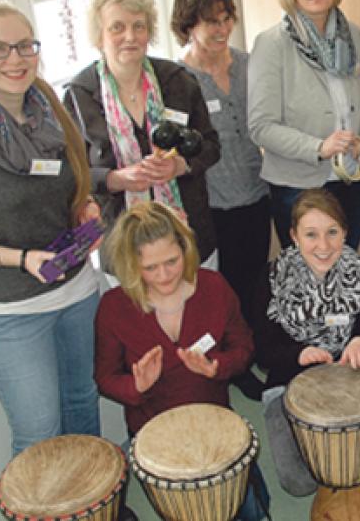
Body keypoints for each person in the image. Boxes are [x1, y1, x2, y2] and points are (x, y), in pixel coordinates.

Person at [0, 0, 101, 457]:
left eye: (24, 46)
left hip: (75, 292)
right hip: (6, 312)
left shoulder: (49, 106)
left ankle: (95, 508)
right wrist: (20, 258)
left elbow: (65, 183)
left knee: (82, 405)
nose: (15, 59)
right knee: (39, 434)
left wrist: (82, 208)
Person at [94, 201, 269, 520]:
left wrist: (218, 367)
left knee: (251, 511)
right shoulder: (114, 307)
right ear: (132, 264)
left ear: (185, 248)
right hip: (153, 432)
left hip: (214, 420)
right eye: (149, 268)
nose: (163, 276)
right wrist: (137, 385)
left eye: (172, 261)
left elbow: (244, 347)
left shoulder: (214, 287)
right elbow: (104, 378)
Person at [253, 189, 360, 497]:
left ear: (345, 232)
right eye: (311, 234)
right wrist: (298, 355)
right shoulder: (272, 276)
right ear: (294, 236)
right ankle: (340, 459)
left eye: (332, 232)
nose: (323, 246)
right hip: (289, 382)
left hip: (351, 380)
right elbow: (263, 351)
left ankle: (357, 463)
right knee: (297, 482)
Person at [64, 0, 219, 274]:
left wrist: (180, 166)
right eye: (117, 27)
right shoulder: (79, 95)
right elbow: (71, 172)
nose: (130, 36)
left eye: (139, 26)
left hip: (188, 234)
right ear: (99, 36)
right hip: (121, 241)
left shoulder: (178, 81)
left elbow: (211, 146)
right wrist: (115, 179)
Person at [172, 0, 268, 400]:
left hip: (257, 192)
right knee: (220, 292)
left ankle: (251, 352)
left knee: (253, 282)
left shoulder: (250, 64)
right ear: (188, 25)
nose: (221, 28)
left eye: (227, 18)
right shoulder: (179, 79)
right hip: (211, 204)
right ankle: (232, 366)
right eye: (211, 21)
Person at [249, 0, 360, 250]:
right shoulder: (271, 44)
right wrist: (319, 147)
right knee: (307, 279)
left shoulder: (353, 35)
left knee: (346, 269)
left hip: (351, 181)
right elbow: (261, 127)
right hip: (298, 186)